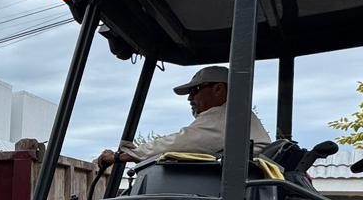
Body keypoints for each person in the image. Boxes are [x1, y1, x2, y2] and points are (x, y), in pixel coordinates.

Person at [97, 65, 271, 169]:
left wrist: (122, 156)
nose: (190, 98)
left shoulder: (225, 115)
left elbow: (179, 143)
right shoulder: (237, 116)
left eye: (194, 91)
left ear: (218, 89)